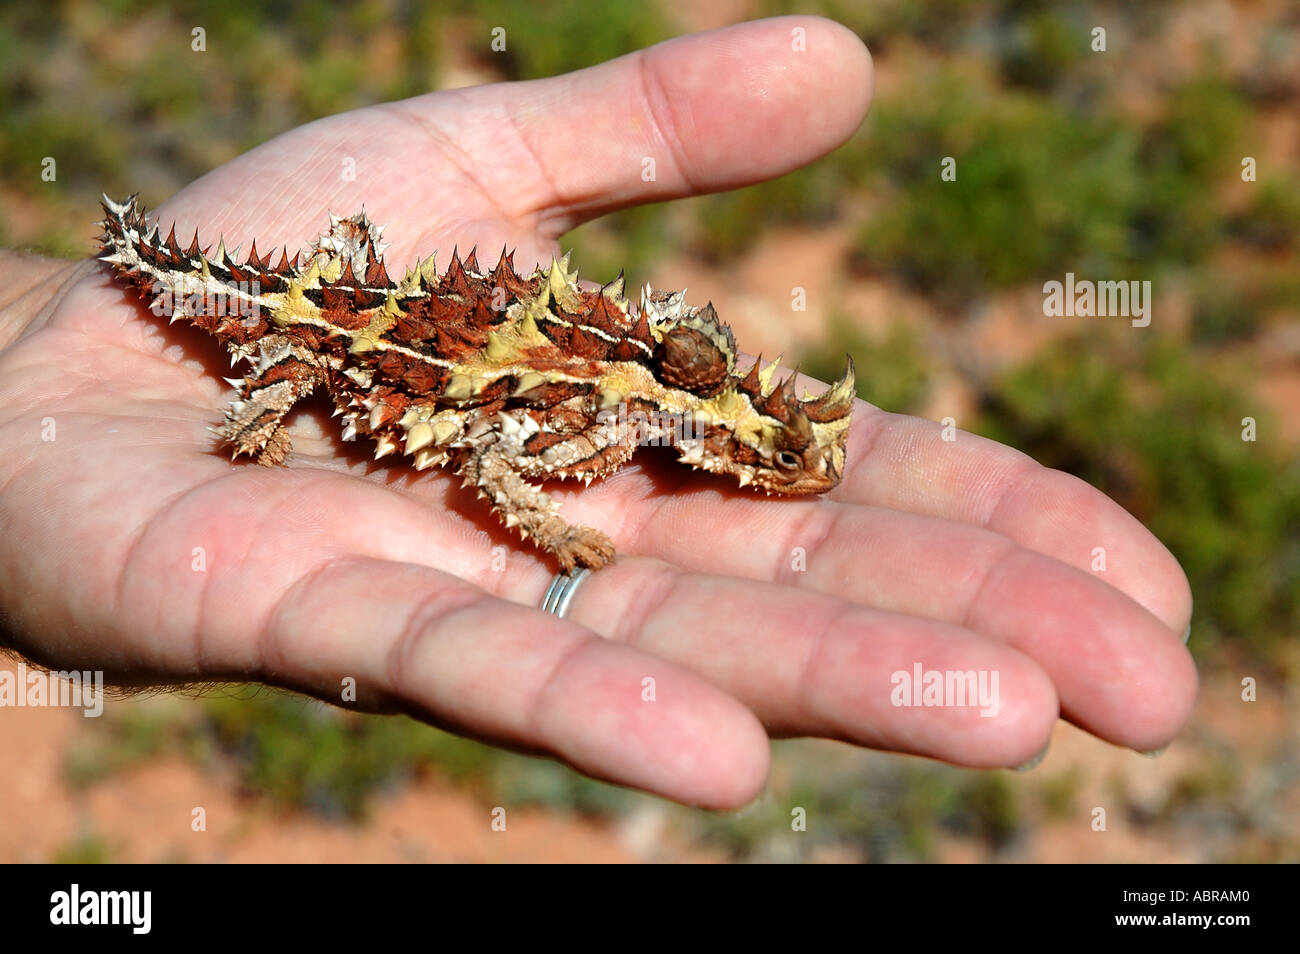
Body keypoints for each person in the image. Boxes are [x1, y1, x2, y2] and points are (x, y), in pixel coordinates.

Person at [0, 17, 1194, 808]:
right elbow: (479, 444)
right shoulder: (612, 418)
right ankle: (252, 367)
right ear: (722, 435)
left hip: (367, 298)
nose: (783, 468)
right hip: (330, 337)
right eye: (777, 456)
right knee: (293, 354)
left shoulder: (668, 375)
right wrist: (552, 536)